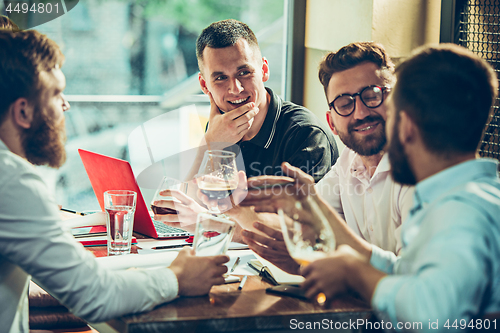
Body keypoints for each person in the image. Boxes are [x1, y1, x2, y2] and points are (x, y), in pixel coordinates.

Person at [242, 44, 500, 329]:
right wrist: (311, 205)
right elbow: (405, 273)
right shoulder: (461, 196)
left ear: (406, 124)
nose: (364, 115)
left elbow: (435, 317)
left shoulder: (460, 211)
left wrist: (354, 270)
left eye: (382, 104)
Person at [0, 29, 229, 333]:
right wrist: (177, 278)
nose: (65, 105)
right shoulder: (13, 182)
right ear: (23, 111)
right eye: (56, 93)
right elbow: (95, 296)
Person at [153, 19, 338, 231]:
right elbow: (186, 208)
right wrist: (210, 142)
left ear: (264, 70)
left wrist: (207, 222)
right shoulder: (221, 127)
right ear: (205, 85)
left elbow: (298, 232)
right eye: (221, 78)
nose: (236, 88)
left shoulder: (305, 134)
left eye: (244, 72)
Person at [315, 42, 413, 254]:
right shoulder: (349, 159)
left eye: (372, 95)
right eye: (344, 104)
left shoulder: (421, 169)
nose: (360, 113)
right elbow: (309, 217)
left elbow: (412, 275)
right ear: (331, 122)